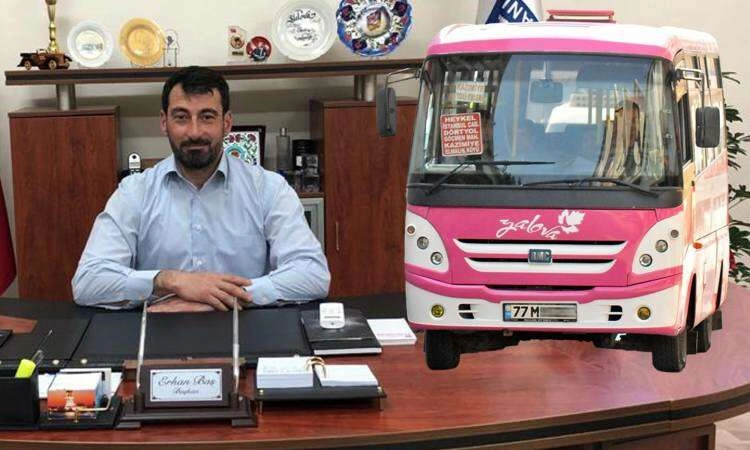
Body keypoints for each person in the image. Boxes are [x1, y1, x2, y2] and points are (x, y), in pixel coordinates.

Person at [72, 66, 330, 312]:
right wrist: (169, 281)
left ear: (227, 123)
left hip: (246, 329)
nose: (194, 132)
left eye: (207, 117)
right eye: (181, 117)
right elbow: (88, 281)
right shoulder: (134, 192)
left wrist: (221, 298)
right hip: (159, 330)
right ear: (164, 122)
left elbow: (312, 274)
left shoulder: (268, 189)